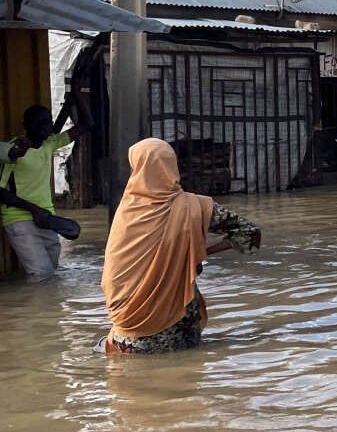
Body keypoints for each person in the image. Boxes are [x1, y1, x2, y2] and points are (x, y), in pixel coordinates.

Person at [102, 139, 261, 354]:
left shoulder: (125, 212)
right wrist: (200, 253)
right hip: (178, 331)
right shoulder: (195, 206)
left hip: (129, 338)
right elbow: (250, 234)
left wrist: (191, 255)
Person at [1, 100, 90, 279]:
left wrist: (78, 96)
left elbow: (87, 125)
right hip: (19, 219)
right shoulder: (12, 149)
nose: (44, 126)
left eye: (47, 121)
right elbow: (1, 191)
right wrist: (34, 210)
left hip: (47, 219)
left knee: (52, 275)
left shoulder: (49, 144)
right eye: (39, 122)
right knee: (42, 274)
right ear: (26, 125)